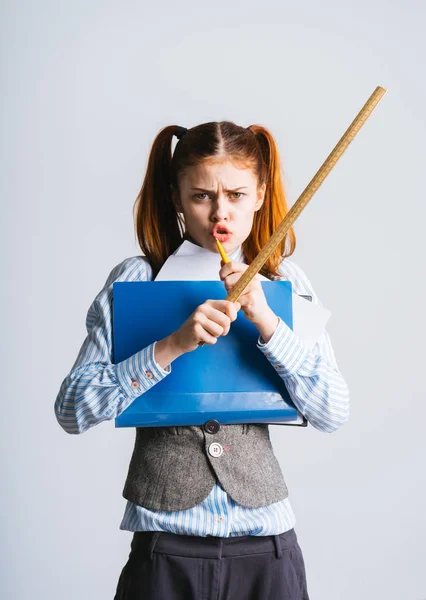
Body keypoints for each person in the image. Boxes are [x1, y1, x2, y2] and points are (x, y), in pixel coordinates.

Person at [55, 121, 350, 600]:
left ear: (259, 195)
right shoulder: (138, 279)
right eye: (201, 196)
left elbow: (333, 411)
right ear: (176, 196)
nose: (220, 214)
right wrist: (170, 345)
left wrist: (269, 324)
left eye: (236, 195)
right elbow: (71, 410)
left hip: (268, 549)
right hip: (165, 552)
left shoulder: (285, 282)